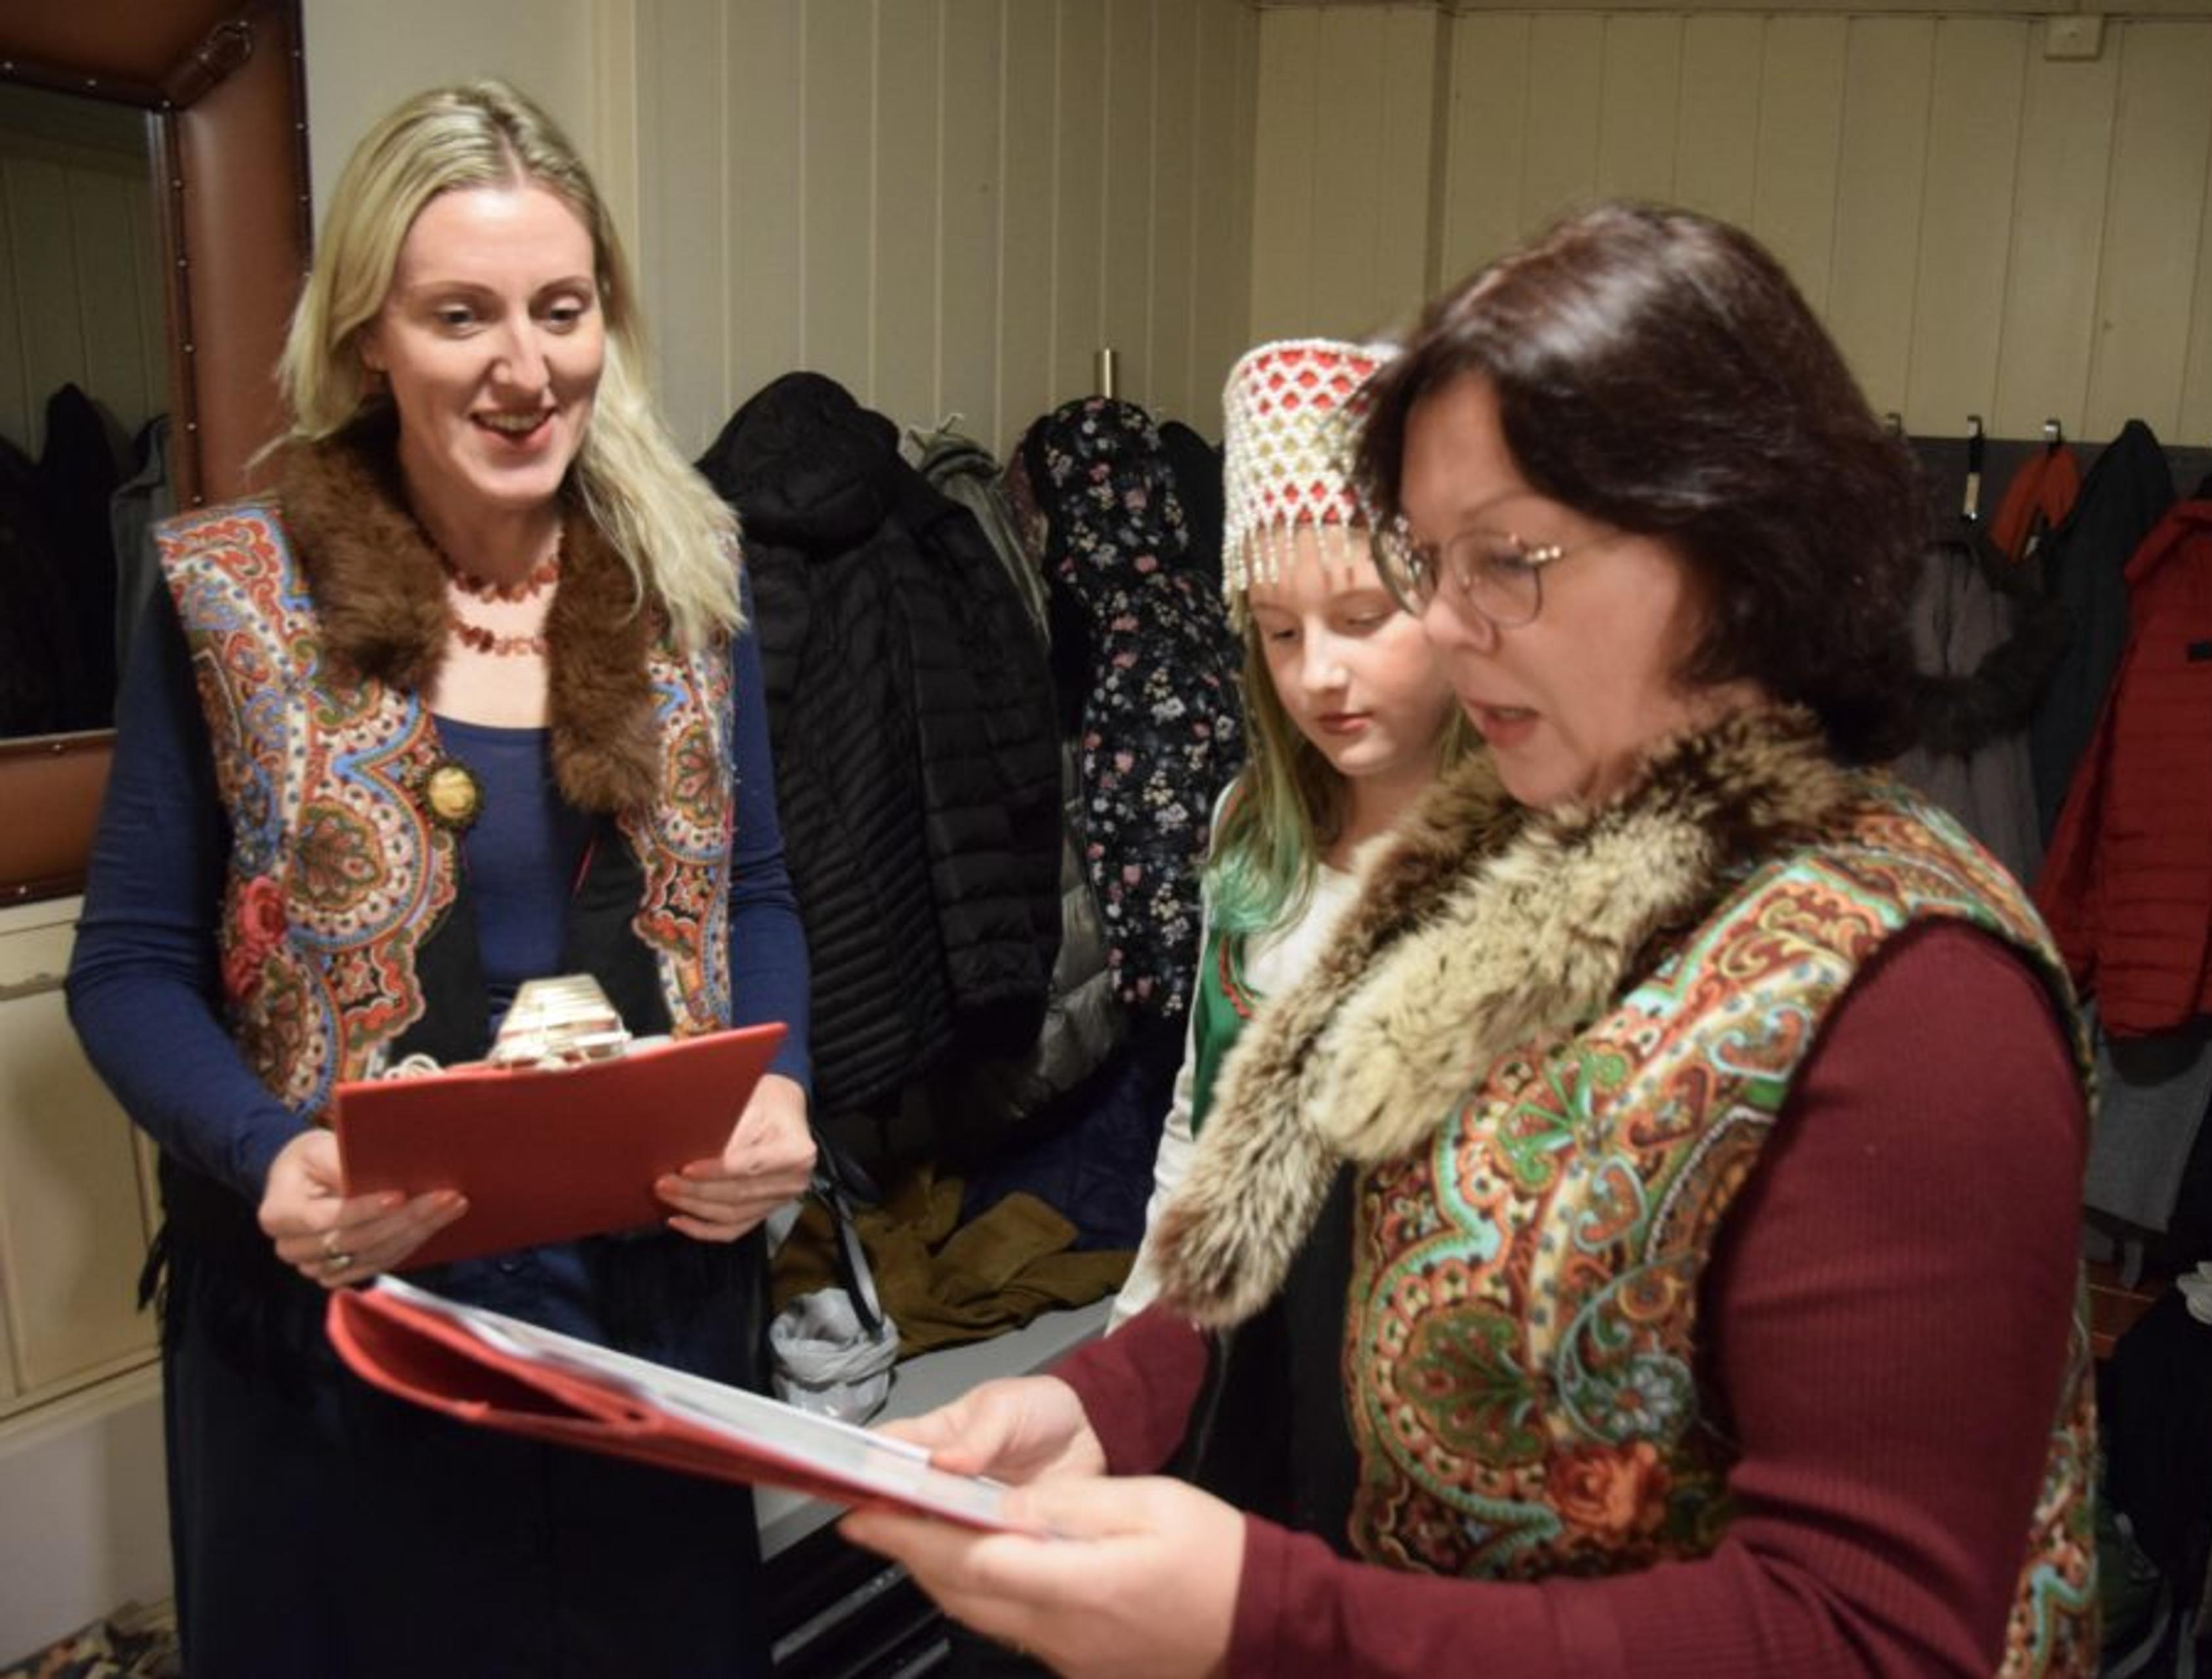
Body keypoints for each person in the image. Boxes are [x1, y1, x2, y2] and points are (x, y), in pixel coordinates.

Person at [841, 203, 2099, 1678]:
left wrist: (1272, 1616)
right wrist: (1099, 1402)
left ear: (1728, 541)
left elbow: (1866, 1637)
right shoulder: (1488, 850)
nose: (1443, 625)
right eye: (1429, 563)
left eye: (1505, 559)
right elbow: (1307, 1242)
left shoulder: (1912, 992)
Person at [66, 81, 814, 1677]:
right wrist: (269, 1157)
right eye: (461, 314)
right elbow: (125, 967)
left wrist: (781, 1095)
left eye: (563, 309)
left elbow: (755, 898)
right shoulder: (232, 597)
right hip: (345, 1343)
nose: (525, 369)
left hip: (644, 1326)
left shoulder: (691, 578)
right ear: (368, 340)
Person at [1107, 336, 1468, 1330]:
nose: (1315, 676)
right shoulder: (1250, 825)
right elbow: (1200, 1119)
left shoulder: (1529, 866)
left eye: (1362, 618)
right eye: (1279, 630)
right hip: (1235, 1350)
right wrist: (1133, 1342)